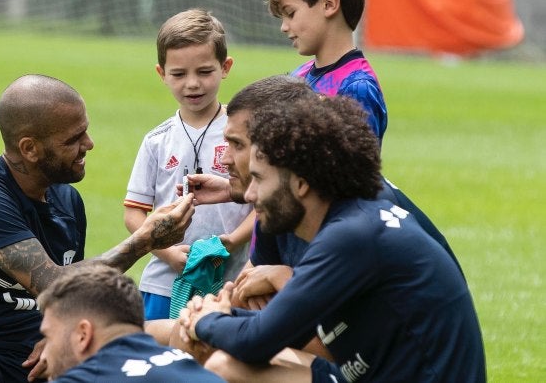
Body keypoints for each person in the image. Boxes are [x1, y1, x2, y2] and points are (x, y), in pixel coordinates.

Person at [0, 74, 195, 383]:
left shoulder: (68, 200)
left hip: (47, 363)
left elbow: (71, 299)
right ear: (30, 148)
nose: (89, 144)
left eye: (86, 131)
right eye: (74, 139)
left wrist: (57, 334)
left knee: (187, 328)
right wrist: (143, 241)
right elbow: (53, 283)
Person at [178, 94, 486, 382]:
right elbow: (282, 331)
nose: (249, 194)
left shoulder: (351, 237)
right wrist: (217, 317)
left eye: (259, 178)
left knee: (226, 366)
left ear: (300, 184)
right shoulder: (355, 220)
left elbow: (256, 342)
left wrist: (206, 321)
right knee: (218, 353)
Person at [124, 8, 253, 320]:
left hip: (232, 284)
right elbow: (133, 212)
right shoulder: (156, 141)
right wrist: (167, 254)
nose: (192, 84)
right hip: (165, 284)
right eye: (179, 74)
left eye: (204, 72)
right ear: (161, 73)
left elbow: (263, 201)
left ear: (226, 67)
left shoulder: (244, 134)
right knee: (162, 360)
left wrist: (232, 242)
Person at [266, 0, 388, 142]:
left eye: (290, 13)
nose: (284, 27)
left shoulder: (356, 87)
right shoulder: (299, 75)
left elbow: (357, 169)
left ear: (329, 4)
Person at [37, 262, 225, 382]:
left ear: (83, 335)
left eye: (48, 337)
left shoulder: (87, 378)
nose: (43, 356)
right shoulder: (193, 369)